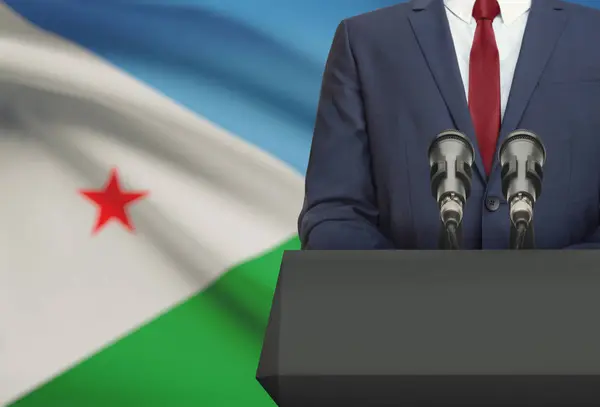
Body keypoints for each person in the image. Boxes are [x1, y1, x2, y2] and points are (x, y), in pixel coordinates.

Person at [298, 0, 600, 250]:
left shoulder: (593, 35)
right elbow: (334, 212)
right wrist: (411, 292)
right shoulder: (365, 41)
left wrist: (557, 287)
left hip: (572, 313)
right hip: (402, 314)